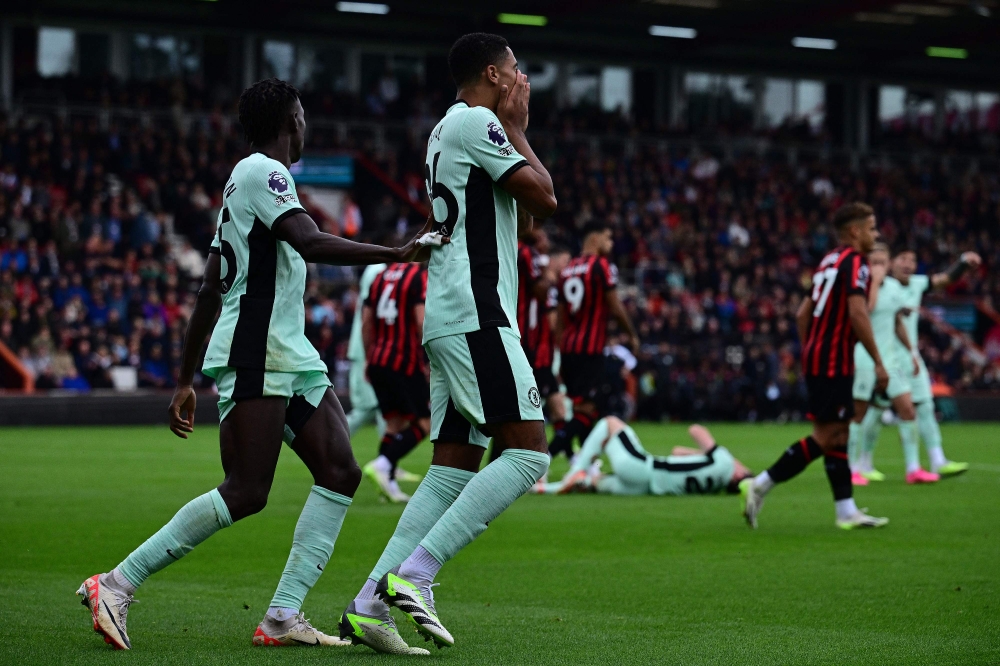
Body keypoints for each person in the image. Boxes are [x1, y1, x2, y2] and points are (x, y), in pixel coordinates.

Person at [77, 78, 431, 652]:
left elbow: (210, 287)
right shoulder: (264, 172)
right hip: (257, 348)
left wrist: (186, 379)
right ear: (290, 119)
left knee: (340, 472)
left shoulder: (242, 186)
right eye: (303, 114)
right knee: (246, 490)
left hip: (288, 351)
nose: (306, 124)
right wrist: (394, 253)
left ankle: (283, 616)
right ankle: (116, 583)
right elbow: (307, 241)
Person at [339, 32, 557, 654]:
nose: (522, 81)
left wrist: (511, 130)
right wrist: (517, 126)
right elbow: (547, 196)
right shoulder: (476, 123)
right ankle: (417, 573)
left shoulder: (448, 129)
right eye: (516, 71)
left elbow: (528, 212)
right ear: (493, 73)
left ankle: (367, 605)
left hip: (452, 311)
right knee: (529, 455)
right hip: (477, 312)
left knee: (449, 470)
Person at [740, 202, 890, 530]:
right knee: (827, 436)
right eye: (872, 228)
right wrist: (879, 361)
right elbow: (857, 312)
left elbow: (801, 314)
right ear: (855, 231)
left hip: (820, 358)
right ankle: (761, 483)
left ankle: (846, 510)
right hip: (834, 361)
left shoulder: (828, 261)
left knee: (839, 434)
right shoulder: (855, 263)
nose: (876, 235)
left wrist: (812, 349)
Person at [853, 247, 980, 483]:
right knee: (874, 410)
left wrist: (962, 262)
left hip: (905, 358)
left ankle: (933, 461)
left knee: (921, 406)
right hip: (878, 356)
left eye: (912, 260)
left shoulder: (916, 284)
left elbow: (945, 279)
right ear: (892, 263)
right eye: (903, 258)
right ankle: (862, 462)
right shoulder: (873, 286)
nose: (908, 264)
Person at [548, 221, 639, 459]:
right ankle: (546, 456)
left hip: (568, 349)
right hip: (589, 350)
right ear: (596, 239)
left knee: (582, 408)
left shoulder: (567, 270)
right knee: (589, 409)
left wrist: (557, 347)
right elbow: (616, 307)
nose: (610, 244)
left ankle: (585, 467)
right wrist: (631, 334)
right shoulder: (602, 266)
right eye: (608, 239)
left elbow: (559, 317)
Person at [532, 418, 752, 497]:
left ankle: (576, 469)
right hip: (647, 488)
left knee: (610, 423)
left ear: (740, 473)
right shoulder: (716, 483)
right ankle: (542, 489)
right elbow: (678, 452)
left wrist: (726, 455)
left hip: (644, 468)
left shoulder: (724, 461)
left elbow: (696, 430)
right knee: (593, 483)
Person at [361, 261, 430, 503]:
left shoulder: (379, 277)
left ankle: (387, 485)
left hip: (379, 358)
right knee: (425, 423)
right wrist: (429, 359)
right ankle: (384, 464)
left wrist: (369, 357)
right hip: (405, 360)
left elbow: (366, 321)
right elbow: (421, 321)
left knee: (394, 423)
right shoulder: (418, 275)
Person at [344, 262, 387, 437]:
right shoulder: (379, 270)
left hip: (370, 346)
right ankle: (325, 443)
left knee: (384, 406)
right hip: (366, 348)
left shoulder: (375, 269)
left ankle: (388, 461)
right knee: (365, 408)